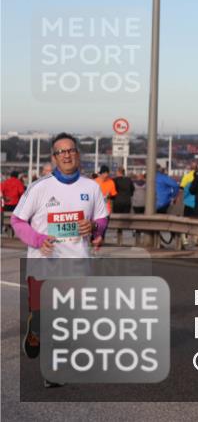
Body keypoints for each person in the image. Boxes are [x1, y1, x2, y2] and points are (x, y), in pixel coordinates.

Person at [11, 133, 108, 387]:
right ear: (54, 157)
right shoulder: (39, 188)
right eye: (60, 151)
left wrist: (94, 229)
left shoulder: (92, 188)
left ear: (77, 154)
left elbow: (101, 220)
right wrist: (36, 239)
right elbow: (17, 221)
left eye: (71, 150)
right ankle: (35, 333)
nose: (66, 155)